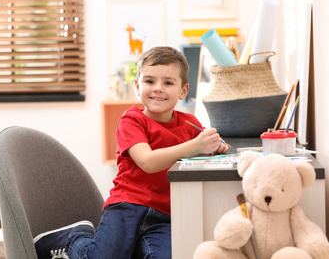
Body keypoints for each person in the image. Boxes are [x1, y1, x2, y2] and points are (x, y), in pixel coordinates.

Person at [34, 46, 229, 259]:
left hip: (166, 214)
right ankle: (75, 237)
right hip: (127, 205)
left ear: (183, 90)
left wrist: (214, 147)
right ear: (137, 86)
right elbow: (147, 161)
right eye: (149, 81)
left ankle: (128, 247)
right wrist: (195, 146)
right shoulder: (131, 120)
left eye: (168, 82)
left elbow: (202, 151)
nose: (158, 88)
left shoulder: (191, 123)